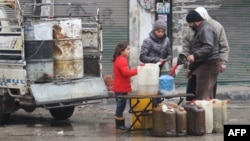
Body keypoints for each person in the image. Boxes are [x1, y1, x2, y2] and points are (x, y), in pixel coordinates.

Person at [182, 7, 230, 101]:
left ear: (197, 20)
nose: (189, 25)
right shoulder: (196, 28)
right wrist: (189, 67)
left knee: (204, 96)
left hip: (208, 65)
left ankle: (203, 114)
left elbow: (212, 46)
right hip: (197, 65)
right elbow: (187, 46)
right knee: (195, 94)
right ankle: (198, 112)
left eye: (190, 23)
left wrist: (223, 62)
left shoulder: (209, 28)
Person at [139, 19, 172, 106]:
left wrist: (168, 58)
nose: (161, 33)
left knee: (160, 91)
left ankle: (157, 107)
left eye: (162, 31)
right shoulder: (147, 41)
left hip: (161, 71)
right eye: (158, 31)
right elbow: (142, 57)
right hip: (150, 71)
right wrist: (157, 60)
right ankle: (150, 107)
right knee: (151, 92)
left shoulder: (167, 41)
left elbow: (169, 53)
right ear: (154, 31)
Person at [112, 41, 137, 130]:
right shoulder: (122, 60)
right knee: (120, 106)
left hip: (119, 87)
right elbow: (126, 73)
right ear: (121, 50)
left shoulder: (118, 58)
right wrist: (138, 70)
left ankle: (119, 124)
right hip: (121, 88)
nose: (129, 51)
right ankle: (119, 125)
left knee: (120, 105)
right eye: (127, 49)